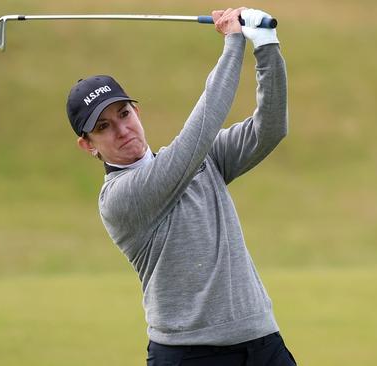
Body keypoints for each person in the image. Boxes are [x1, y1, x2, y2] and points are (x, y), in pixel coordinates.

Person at [66, 7, 294, 366]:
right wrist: (234, 41)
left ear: (137, 113)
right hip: (189, 355)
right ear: (88, 145)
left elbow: (270, 128)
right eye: (103, 127)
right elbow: (200, 130)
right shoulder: (119, 199)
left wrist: (266, 45)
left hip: (262, 341)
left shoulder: (203, 158)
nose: (122, 129)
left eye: (124, 114)